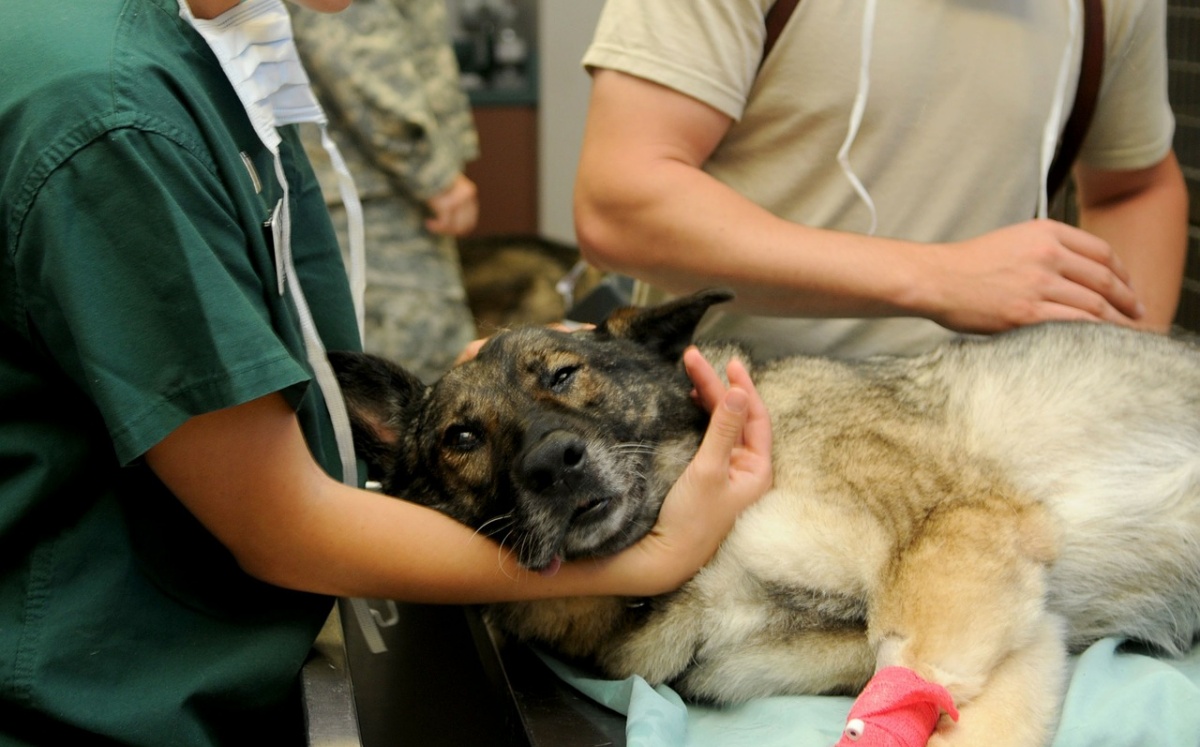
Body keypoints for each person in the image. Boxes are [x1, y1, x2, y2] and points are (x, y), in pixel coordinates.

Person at [0, 1, 773, 745]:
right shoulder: (113, 119)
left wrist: (511, 386)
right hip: (101, 702)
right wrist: (660, 553)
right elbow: (281, 525)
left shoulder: (212, 46)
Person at [574, 0, 1189, 360]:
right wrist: (940, 277)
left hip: (997, 440)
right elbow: (622, 201)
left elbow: (1135, 185)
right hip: (738, 434)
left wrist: (1120, 374)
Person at [291, 0, 481, 383]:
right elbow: (350, 45)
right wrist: (432, 172)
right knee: (410, 384)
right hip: (370, 195)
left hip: (374, 187)